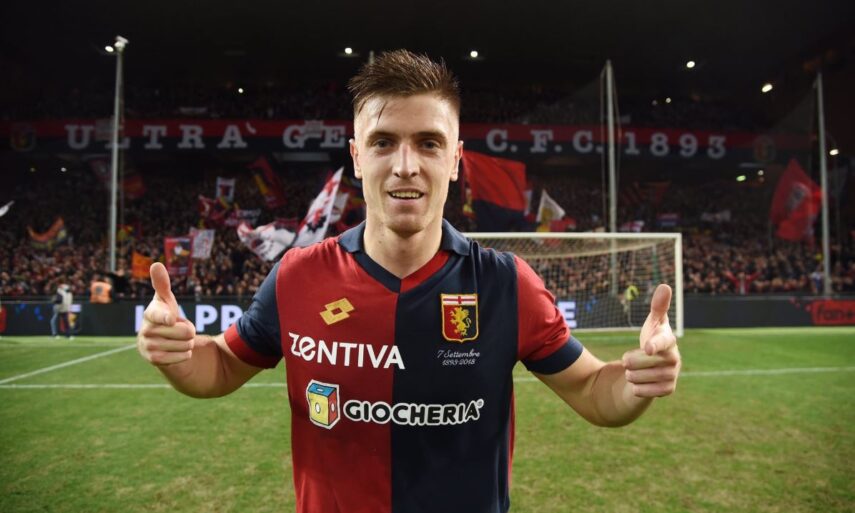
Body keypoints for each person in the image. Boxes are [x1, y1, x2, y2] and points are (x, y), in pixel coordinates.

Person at [137, 50, 681, 513]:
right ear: (356, 157)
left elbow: (592, 389)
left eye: (428, 142)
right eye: (382, 142)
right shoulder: (298, 276)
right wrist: (176, 355)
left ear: (455, 160)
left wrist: (636, 383)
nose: (405, 165)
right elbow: (222, 366)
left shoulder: (505, 284)